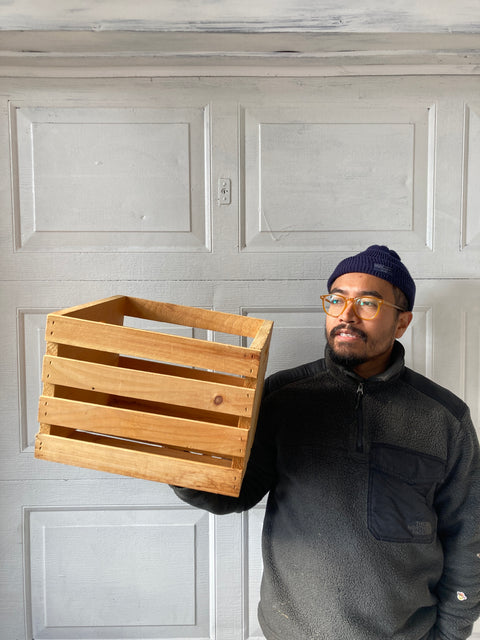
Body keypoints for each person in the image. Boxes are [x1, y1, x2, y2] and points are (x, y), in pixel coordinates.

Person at [173, 245, 480, 640]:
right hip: (290, 631)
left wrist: (451, 634)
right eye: (336, 299)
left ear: (401, 323)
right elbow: (234, 493)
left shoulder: (445, 419)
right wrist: (178, 460)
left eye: (367, 303)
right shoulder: (283, 396)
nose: (346, 315)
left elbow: (468, 537)